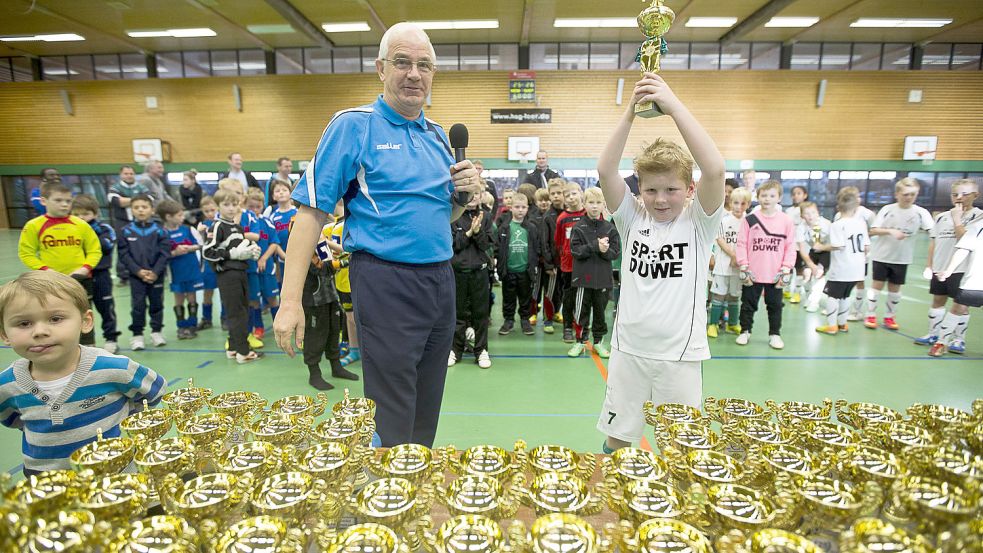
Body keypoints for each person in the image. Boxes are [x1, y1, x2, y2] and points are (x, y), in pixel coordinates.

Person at [273, 22, 483, 448]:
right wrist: (290, 301)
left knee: (427, 403)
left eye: (424, 65)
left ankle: (413, 483)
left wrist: (464, 197)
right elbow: (310, 213)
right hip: (385, 280)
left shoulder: (439, 136)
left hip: (440, 279)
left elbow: (440, 217)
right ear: (380, 69)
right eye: (402, 63)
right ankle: (387, 497)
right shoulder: (354, 125)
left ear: (433, 74)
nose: (413, 74)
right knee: (392, 408)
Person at [595, 73, 725, 453]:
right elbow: (605, 171)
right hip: (628, 350)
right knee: (618, 440)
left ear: (689, 189)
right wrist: (630, 114)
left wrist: (672, 105)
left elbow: (714, 168)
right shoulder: (633, 218)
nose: (661, 199)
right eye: (651, 190)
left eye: (671, 189)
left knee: (680, 446)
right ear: (640, 190)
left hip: (679, 357)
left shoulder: (699, 223)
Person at [0, 271, 166, 476]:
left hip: (117, 480)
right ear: (4, 334)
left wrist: (123, 421)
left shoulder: (114, 368)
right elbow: (13, 419)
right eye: (24, 323)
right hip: (48, 489)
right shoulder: (6, 384)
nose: (39, 331)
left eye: (55, 318)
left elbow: (152, 394)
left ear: (85, 321)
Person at [18, 180, 103, 347]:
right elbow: (26, 253)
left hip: (80, 280)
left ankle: (88, 348)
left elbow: (95, 250)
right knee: (54, 315)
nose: (64, 205)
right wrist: (46, 270)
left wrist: (84, 269)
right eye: (58, 200)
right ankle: (58, 346)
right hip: (50, 282)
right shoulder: (34, 226)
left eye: (68, 201)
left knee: (83, 314)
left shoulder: (80, 224)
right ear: (44, 201)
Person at [918, 179, 982, 354]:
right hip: (941, 266)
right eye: (955, 194)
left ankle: (958, 339)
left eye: (965, 194)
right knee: (938, 300)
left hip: (962, 268)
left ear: (975, 195)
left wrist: (957, 219)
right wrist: (929, 265)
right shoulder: (941, 217)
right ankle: (933, 334)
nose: (959, 198)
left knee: (961, 305)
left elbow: (965, 239)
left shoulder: (978, 217)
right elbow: (934, 242)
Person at [203, 189, 264, 364]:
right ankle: (243, 351)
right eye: (226, 205)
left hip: (241, 272)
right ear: (218, 206)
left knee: (242, 310)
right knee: (236, 312)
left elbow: (240, 249)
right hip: (227, 275)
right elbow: (207, 252)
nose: (231, 208)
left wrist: (251, 251)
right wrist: (231, 254)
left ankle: (233, 347)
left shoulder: (237, 227)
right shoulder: (217, 226)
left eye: (234, 204)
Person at [865, 178, 934, 330]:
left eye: (912, 194)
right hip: (881, 256)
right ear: (897, 194)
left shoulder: (921, 213)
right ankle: (870, 314)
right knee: (877, 286)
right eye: (905, 194)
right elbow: (873, 230)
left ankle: (890, 317)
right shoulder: (887, 209)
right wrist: (890, 231)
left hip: (902, 258)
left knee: (895, 289)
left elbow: (933, 234)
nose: (909, 197)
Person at [735, 181, 797, 349]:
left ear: (779, 198)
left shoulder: (786, 221)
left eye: (772, 195)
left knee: (775, 306)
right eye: (764, 195)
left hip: (775, 274)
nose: (767, 199)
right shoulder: (750, 219)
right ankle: (745, 331)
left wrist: (786, 268)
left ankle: (774, 334)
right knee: (748, 304)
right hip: (753, 272)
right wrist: (744, 265)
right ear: (758, 196)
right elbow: (741, 244)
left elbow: (791, 246)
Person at [302, 224, 360, 389]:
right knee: (315, 336)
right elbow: (323, 267)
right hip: (314, 299)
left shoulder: (319, 235)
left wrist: (350, 252)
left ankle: (336, 367)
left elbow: (327, 246)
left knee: (334, 331)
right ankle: (314, 374)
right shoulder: (303, 233)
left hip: (330, 295)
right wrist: (344, 262)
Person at [568, 187, 621, 358]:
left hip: (603, 279)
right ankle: (580, 341)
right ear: (584, 204)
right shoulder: (578, 228)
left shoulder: (609, 228)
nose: (594, 206)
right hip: (583, 279)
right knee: (581, 312)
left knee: (600, 312)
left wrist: (605, 251)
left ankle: (598, 342)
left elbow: (615, 252)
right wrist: (595, 247)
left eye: (598, 203)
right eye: (591, 202)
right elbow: (575, 251)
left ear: (604, 206)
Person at [118, 195, 170, 351]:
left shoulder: (160, 230)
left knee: (156, 304)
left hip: (156, 275)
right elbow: (124, 254)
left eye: (144, 207)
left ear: (152, 210)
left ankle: (156, 331)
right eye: (136, 207)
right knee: (138, 305)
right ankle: (137, 334)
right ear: (131, 210)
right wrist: (138, 271)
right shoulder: (126, 231)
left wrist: (155, 271)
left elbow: (165, 253)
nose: (140, 210)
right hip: (137, 276)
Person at [815, 188, 870, 336]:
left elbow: (838, 245)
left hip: (842, 268)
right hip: (857, 268)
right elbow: (866, 246)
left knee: (833, 296)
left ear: (838, 207)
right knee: (845, 295)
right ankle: (842, 323)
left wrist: (821, 247)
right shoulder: (861, 224)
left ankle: (832, 325)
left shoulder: (837, 224)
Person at [71, 194, 121, 354]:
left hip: (100, 275)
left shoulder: (105, 229)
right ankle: (86, 342)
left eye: (85, 214)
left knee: (106, 308)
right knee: (81, 310)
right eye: (77, 214)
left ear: (95, 213)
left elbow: (105, 246)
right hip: (78, 277)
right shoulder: (69, 230)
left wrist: (88, 235)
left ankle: (111, 338)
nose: (81, 218)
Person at [451, 194, 494, 369]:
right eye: (470, 194)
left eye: (477, 194)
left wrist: (478, 232)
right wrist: (469, 233)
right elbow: (454, 245)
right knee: (457, 313)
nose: (474, 198)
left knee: (480, 314)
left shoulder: (486, 217)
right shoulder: (453, 215)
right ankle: (455, 350)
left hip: (479, 272)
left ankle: (481, 350)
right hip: (458, 272)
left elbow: (486, 245)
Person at [495, 192, 541, 338]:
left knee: (525, 297)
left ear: (527, 208)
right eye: (517, 207)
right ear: (511, 208)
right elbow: (498, 248)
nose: (520, 210)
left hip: (525, 271)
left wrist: (533, 265)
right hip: (508, 270)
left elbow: (536, 247)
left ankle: (524, 320)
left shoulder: (531, 228)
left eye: (523, 207)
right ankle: (508, 320)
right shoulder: (504, 227)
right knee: (508, 297)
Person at [935, 220, 983, 356]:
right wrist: (949, 270)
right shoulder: (978, 226)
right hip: (975, 280)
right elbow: (963, 250)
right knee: (958, 308)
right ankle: (941, 343)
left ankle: (955, 340)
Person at [157, 199, 204, 340]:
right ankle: (181, 326)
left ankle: (192, 325)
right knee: (178, 298)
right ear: (168, 217)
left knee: (191, 296)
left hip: (191, 268)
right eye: (179, 215)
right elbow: (160, 253)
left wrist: (189, 248)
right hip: (175, 271)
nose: (182, 217)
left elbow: (200, 244)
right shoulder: (162, 233)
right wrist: (174, 253)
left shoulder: (188, 229)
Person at [708, 187, 751, 337]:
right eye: (735, 203)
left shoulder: (749, 222)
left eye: (743, 204)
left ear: (748, 204)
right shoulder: (724, 220)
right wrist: (734, 255)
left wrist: (739, 259)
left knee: (734, 296)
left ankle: (732, 324)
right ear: (730, 203)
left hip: (739, 267)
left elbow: (750, 243)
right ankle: (712, 324)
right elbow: (720, 239)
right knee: (718, 295)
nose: (739, 207)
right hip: (722, 265)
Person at [245, 189, 281, 339]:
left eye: (257, 206)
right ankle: (258, 327)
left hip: (266, 268)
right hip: (250, 268)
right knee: (254, 299)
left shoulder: (267, 222)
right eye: (251, 206)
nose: (254, 210)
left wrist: (264, 258)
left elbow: (274, 243)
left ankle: (278, 326)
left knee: (272, 297)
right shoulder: (244, 223)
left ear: (262, 206)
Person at [836, 186, 876, 321]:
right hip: (842, 256)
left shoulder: (867, 214)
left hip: (859, 255)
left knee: (859, 281)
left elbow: (875, 229)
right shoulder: (839, 215)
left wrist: (862, 240)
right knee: (841, 281)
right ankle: (840, 309)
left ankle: (856, 310)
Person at [108, 165, 152, 282]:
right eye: (126, 173)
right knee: (123, 248)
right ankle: (123, 275)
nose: (129, 176)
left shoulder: (141, 186)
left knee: (142, 246)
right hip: (122, 222)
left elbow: (150, 199)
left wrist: (126, 200)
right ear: (121, 175)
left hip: (139, 222)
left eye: (131, 173)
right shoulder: (115, 187)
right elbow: (116, 201)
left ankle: (145, 270)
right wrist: (137, 199)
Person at [555, 182, 587, 343]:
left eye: (574, 193)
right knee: (569, 298)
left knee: (585, 298)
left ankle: (583, 328)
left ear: (581, 193)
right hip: (568, 266)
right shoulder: (562, 219)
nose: (571, 197)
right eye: (567, 195)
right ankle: (567, 327)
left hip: (587, 265)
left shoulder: (589, 214)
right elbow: (559, 242)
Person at [796, 201, 832, 312]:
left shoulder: (826, 224)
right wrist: (811, 265)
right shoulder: (801, 228)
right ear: (802, 216)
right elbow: (802, 249)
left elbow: (836, 244)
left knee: (819, 274)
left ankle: (814, 302)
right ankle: (808, 298)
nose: (810, 216)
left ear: (818, 213)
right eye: (806, 213)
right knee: (806, 275)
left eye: (813, 212)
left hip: (826, 251)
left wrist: (822, 247)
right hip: (813, 251)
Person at [263, 179, 298, 284]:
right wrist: (283, 255)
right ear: (273, 196)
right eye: (277, 191)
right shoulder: (273, 216)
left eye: (284, 190)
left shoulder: (297, 212)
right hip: (281, 258)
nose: (281, 192)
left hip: (298, 255)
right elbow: (273, 239)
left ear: (290, 193)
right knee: (283, 284)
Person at [197, 196, 219, 330]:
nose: (210, 213)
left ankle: (225, 318)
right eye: (206, 211)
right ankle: (206, 319)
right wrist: (200, 233)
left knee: (224, 291)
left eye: (212, 210)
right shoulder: (202, 225)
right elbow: (199, 243)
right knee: (207, 291)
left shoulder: (222, 222)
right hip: (208, 262)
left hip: (221, 260)